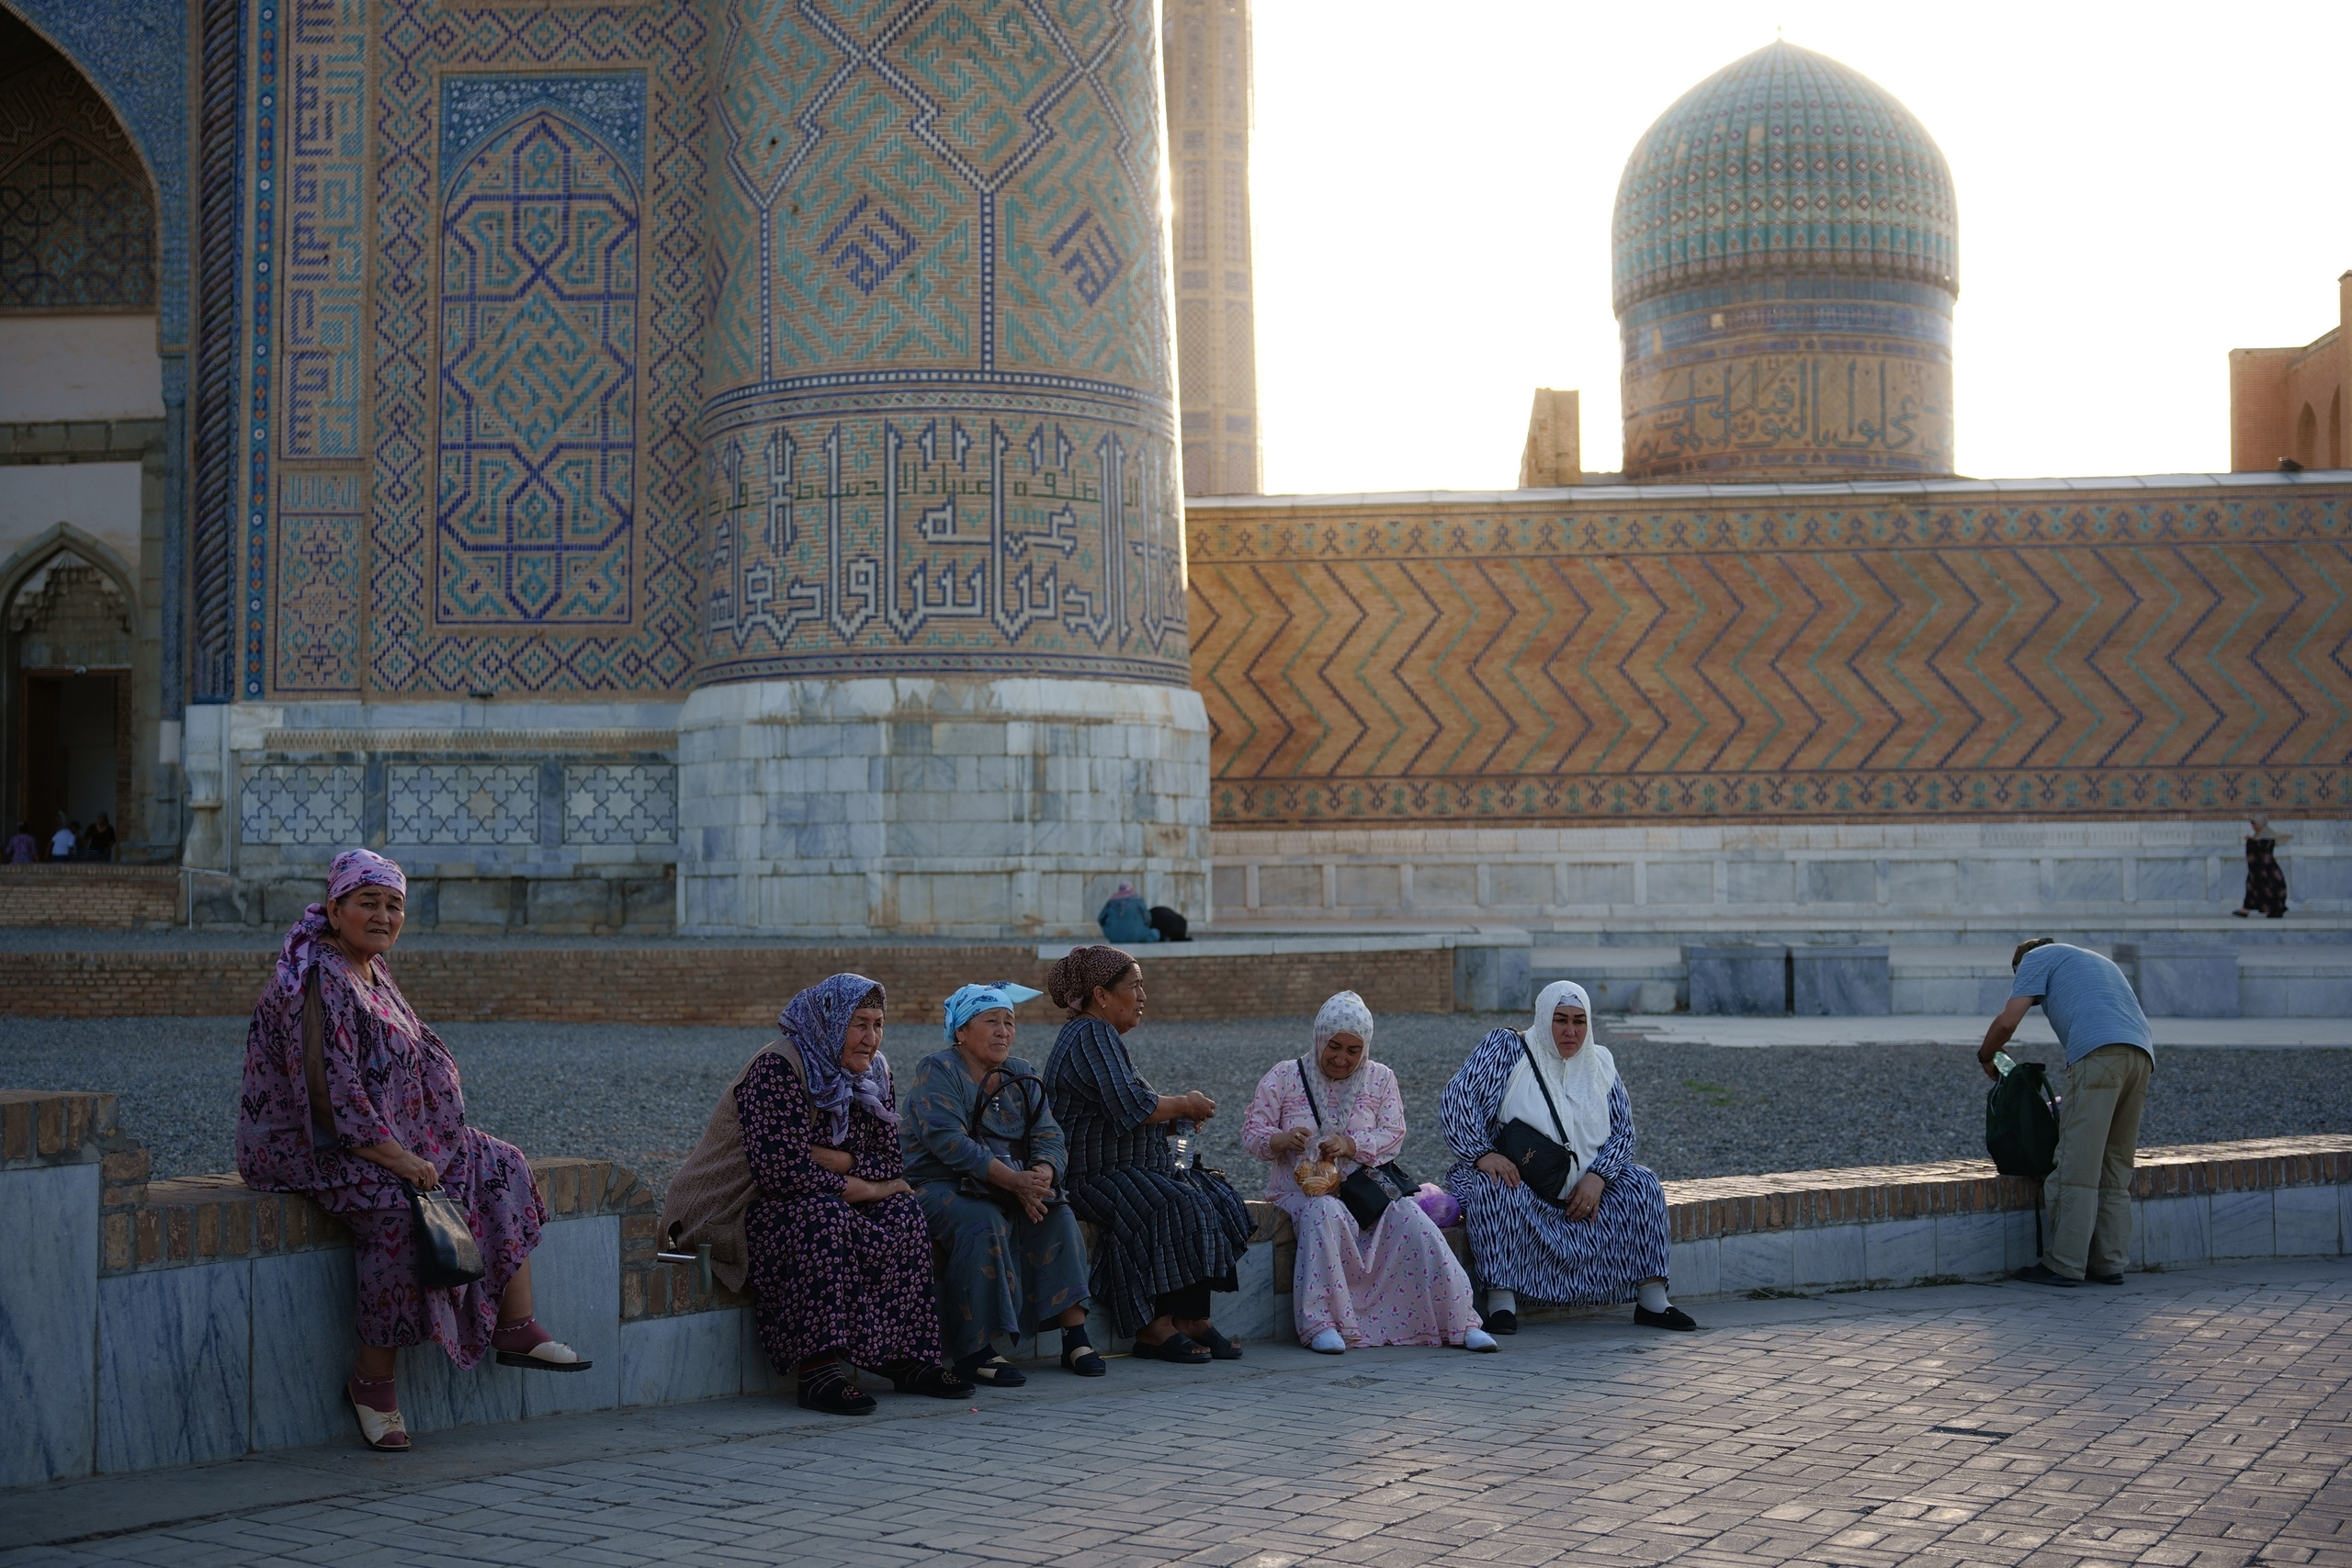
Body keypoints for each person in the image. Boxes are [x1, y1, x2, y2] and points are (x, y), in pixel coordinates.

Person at [235, 850, 588, 1454]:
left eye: (393, 904)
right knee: (397, 1208)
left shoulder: (372, 970)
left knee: (498, 1160)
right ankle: (371, 1381)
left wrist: (427, 1137)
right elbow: (326, 1093)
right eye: (367, 901)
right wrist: (398, 1157)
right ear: (335, 907)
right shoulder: (317, 976)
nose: (382, 914)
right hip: (308, 1144)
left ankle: (516, 1324)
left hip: (386, 1133)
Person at [663, 974, 969, 1415]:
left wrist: (841, 1162)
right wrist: (866, 1184)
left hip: (816, 1195)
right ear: (830, 1022)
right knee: (819, 1216)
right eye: (858, 1024)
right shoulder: (779, 1067)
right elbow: (782, 1175)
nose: (870, 1038)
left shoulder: (875, 1074)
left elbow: (890, 1161)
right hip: (733, 1210)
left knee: (902, 1209)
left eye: (878, 1024)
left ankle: (907, 1359)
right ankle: (818, 1369)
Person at [1241, 990, 1495, 1354]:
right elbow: (1252, 1132)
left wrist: (1351, 1145)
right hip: (1303, 1195)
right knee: (1323, 1212)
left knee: (1412, 1219)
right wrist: (1282, 1140)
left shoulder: (1380, 1079)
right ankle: (1322, 1323)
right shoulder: (1284, 1076)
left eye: (1353, 1050)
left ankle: (1459, 1320)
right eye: (1334, 1047)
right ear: (1318, 1038)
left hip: (1368, 1193)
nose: (1342, 1059)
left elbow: (1394, 1134)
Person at [1441, 980, 1692, 1334]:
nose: (1570, 1031)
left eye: (1579, 1021)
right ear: (1544, 1018)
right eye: (1560, 1020)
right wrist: (1482, 1154)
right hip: (1524, 1187)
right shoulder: (1508, 1049)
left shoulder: (1600, 1063)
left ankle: (1652, 1300)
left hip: (1585, 1195)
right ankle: (1501, 1302)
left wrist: (1598, 1177)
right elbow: (1458, 1099)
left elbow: (1623, 1132)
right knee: (1494, 1187)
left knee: (1642, 1184)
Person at [1042, 944, 1254, 1362]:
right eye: (1135, 987)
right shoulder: (1089, 1034)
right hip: (1090, 1174)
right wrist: (1184, 1105)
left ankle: (1191, 1317)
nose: (1143, 996)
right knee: (1175, 1202)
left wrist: (1171, 1118)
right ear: (1101, 995)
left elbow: (1125, 1107)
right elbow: (1132, 1105)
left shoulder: (1100, 1036)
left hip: (1124, 1166)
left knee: (1216, 1197)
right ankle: (1152, 1326)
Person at [903, 981, 1098, 1384]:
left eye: (1009, 1022)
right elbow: (948, 1141)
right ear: (960, 1031)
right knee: (982, 1220)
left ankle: (1076, 1337)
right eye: (990, 1021)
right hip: (940, 1184)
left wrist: (1043, 1173)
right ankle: (973, 1350)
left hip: (1009, 1181)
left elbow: (1049, 1134)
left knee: (1057, 1214)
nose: (1003, 1031)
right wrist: (1013, 1182)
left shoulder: (1021, 1073)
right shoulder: (937, 1070)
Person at [1977, 939, 2154, 1287]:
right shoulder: (2092, 959)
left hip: (2099, 1055)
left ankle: (2064, 1265)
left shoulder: (2034, 960)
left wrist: (1986, 1055)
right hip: (2141, 1056)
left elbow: (2007, 1021)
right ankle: (2109, 1263)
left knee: (2076, 1165)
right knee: (2115, 1167)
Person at [2235, 817, 2290, 918]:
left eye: (2255, 824)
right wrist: (2251, 840)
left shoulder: (2266, 835)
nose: (2253, 827)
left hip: (2267, 870)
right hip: (2258, 869)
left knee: (2271, 888)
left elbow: (2262, 849)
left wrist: (2251, 841)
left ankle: (2275, 910)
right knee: (2252, 887)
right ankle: (2245, 910)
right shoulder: (2259, 835)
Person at [1095, 880, 1160, 943]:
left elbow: (1101, 918)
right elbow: (1147, 918)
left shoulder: (1112, 900)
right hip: (1135, 935)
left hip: (1114, 937)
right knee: (1155, 933)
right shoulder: (1137, 899)